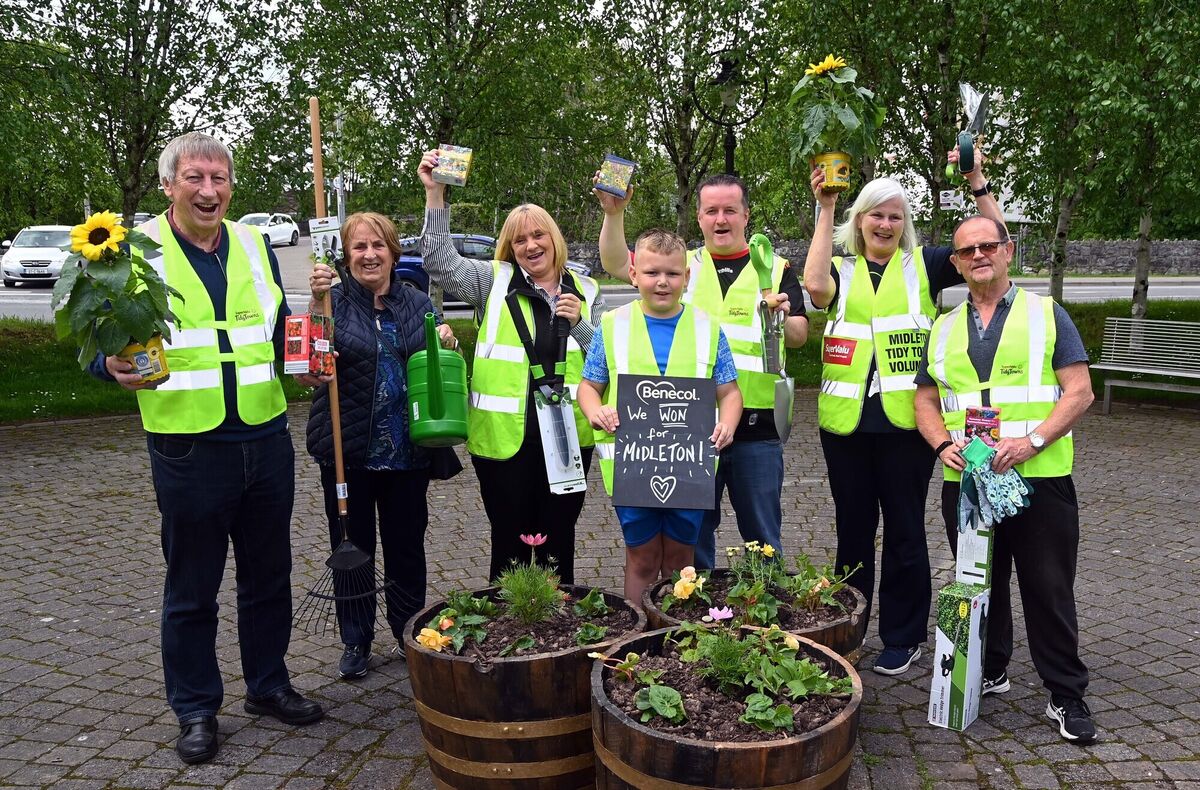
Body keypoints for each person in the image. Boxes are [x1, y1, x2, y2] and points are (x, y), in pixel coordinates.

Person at [87, 132, 322, 765]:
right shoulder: (133, 253)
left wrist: (303, 364)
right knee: (192, 587)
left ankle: (268, 685)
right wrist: (107, 365)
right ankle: (195, 707)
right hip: (188, 445)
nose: (209, 191)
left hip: (266, 437)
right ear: (170, 185)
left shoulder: (253, 244)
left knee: (270, 578)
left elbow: (271, 330)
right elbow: (95, 341)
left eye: (218, 179)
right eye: (194, 178)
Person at [802, 151, 1005, 676]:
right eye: (876, 214)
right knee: (852, 531)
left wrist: (976, 180)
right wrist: (825, 207)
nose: (886, 224)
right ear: (860, 220)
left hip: (907, 425)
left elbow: (994, 241)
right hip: (845, 425)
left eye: (895, 215)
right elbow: (815, 286)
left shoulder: (926, 265)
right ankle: (846, 628)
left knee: (906, 531)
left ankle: (901, 634)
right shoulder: (842, 268)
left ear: (905, 224)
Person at [914, 215, 1096, 743]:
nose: (978, 256)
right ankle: (989, 670)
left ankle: (1066, 695)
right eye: (966, 251)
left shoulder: (1046, 313)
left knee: (1048, 589)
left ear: (1008, 250)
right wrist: (942, 444)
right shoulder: (943, 327)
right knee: (979, 585)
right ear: (955, 264)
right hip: (969, 484)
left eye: (987, 246)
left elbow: (1079, 391)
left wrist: (1032, 441)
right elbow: (925, 398)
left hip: (1039, 479)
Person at [597, 174, 808, 569]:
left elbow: (798, 335)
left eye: (730, 210)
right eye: (711, 210)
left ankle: (763, 621)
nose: (720, 219)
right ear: (699, 217)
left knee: (763, 540)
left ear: (746, 215)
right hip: (688, 432)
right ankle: (702, 620)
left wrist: (781, 317)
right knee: (694, 544)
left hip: (757, 428)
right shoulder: (681, 265)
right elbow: (613, 262)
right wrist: (615, 213)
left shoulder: (774, 268)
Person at [418, 148, 606, 584]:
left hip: (567, 435)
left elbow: (606, 361)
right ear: (510, 247)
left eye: (538, 235)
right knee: (510, 541)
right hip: (505, 440)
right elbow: (440, 264)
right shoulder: (493, 280)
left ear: (555, 239)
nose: (530, 246)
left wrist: (578, 325)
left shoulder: (588, 289)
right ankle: (509, 631)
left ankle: (561, 629)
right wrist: (435, 195)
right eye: (520, 240)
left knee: (559, 540)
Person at [299, 212, 459, 680]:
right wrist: (314, 301)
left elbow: (439, 365)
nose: (369, 255)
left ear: (393, 250)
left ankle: (409, 632)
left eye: (378, 246)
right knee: (352, 546)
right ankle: (356, 637)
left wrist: (446, 341)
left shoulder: (416, 303)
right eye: (358, 248)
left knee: (406, 545)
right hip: (349, 451)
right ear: (346, 256)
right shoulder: (332, 300)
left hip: (407, 451)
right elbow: (308, 354)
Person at [578, 229, 742, 602]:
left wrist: (728, 422)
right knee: (642, 556)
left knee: (682, 560)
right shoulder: (612, 326)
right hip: (633, 467)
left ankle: (676, 637)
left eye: (672, 273)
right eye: (652, 273)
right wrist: (595, 410)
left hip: (689, 466)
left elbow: (729, 392)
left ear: (686, 276)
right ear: (634, 274)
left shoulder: (708, 328)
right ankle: (638, 638)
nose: (662, 282)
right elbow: (589, 387)